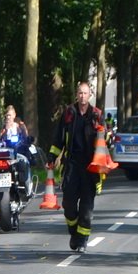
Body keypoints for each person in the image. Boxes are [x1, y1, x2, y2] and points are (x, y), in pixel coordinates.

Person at [49, 81, 105, 253]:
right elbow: (59, 138)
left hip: (90, 167)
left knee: (87, 208)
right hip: (72, 165)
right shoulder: (68, 113)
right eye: (80, 93)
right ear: (76, 94)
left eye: (85, 93)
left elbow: (104, 142)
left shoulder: (96, 115)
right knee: (69, 204)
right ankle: (74, 231)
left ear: (90, 95)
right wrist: (52, 156)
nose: (82, 96)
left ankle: (81, 241)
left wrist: (106, 136)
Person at [0, 105, 32, 191]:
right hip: (4, 154)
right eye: (7, 115)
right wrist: (1, 134)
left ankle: (27, 185)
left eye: (10, 115)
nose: (8, 117)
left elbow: (26, 137)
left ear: (14, 115)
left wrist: (26, 142)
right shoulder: (2, 127)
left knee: (25, 162)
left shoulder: (20, 126)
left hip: (18, 152)